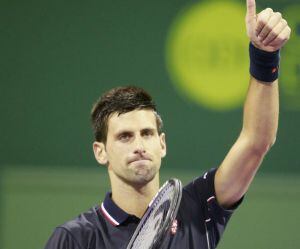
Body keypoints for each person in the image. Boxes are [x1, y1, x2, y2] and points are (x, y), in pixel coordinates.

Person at [44, 0, 291, 248]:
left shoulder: (199, 208)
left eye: (147, 133)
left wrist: (264, 56)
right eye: (125, 136)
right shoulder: (74, 238)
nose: (139, 145)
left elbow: (257, 141)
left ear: (162, 144)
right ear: (100, 151)